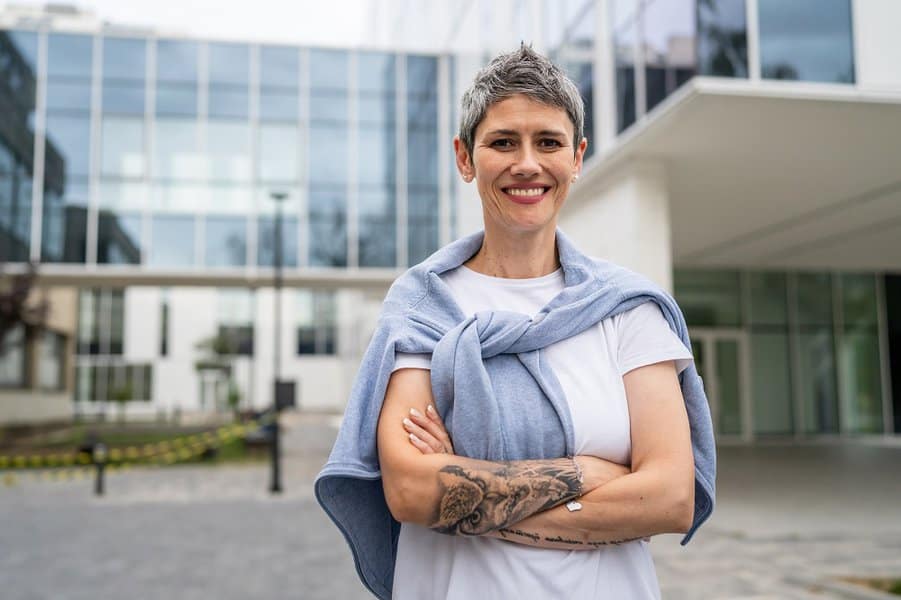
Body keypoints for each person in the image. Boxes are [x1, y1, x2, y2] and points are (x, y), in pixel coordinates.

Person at [316, 45, 715, 600]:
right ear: (464, 158)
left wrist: (467, 493)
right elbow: (411, 491)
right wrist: (586, 475)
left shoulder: (628, 310)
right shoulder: (423, 308)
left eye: (548, 142)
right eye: (503, 142)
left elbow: (671, 497)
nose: (527, 164)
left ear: (576, 158)